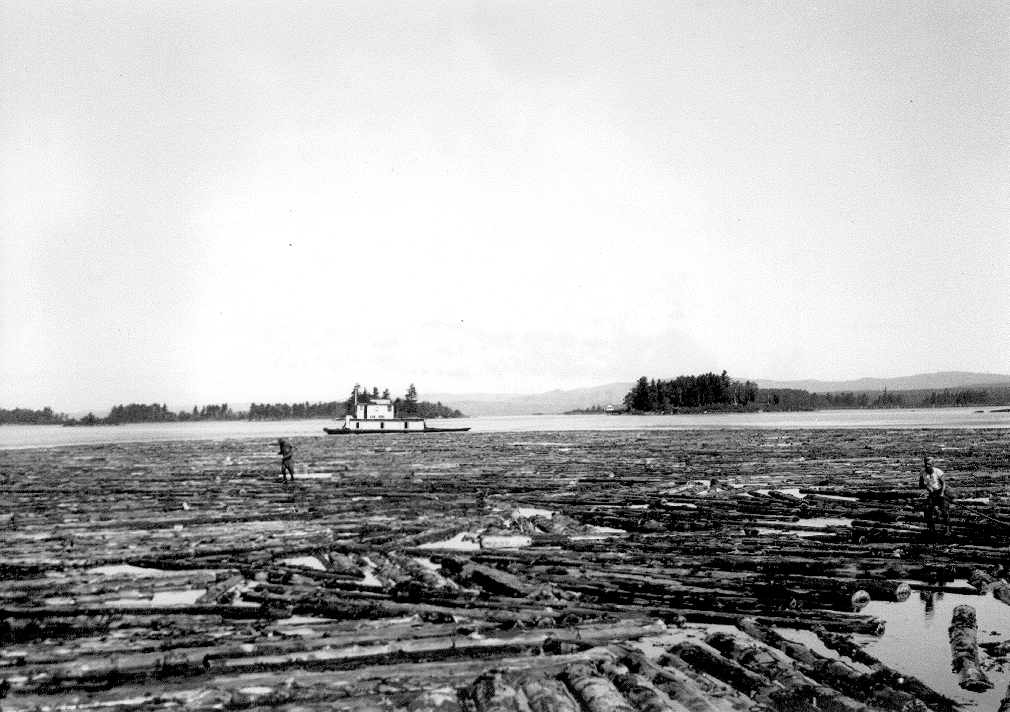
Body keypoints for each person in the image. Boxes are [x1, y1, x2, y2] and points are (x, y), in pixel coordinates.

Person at [919, 455, 949, 536]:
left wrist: (942, 493)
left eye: (929, 464)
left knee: (945, 511)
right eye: (925, 464)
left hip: (940, 491)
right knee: (927, 509)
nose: (926, 466)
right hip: (932, 493)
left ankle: (947, 529)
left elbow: (944, 484)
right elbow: (921, 484)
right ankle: (931, 528)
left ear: (932, 465)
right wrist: (927, 487)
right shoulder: (922, 472)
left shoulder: (938, 472)